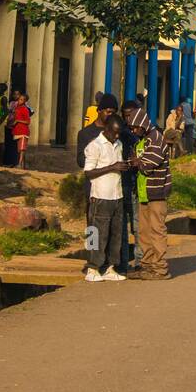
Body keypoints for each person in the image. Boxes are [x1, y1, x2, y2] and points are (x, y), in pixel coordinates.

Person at [121, 101, 173, 279]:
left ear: (142, 125)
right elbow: (136, 160)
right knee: (143, 232)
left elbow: (149, 164)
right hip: (143, 193)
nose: (134, 131)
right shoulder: (143, 140)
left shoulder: (156, 138)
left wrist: (137, 162)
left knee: (156, 231)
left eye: (135, 128)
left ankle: (160, 269)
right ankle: (147, 265)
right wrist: (134, 161)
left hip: (156, 193)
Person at [82, 114, 129, 282]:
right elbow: (88, 172)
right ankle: (92, 268)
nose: (117, 136)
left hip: (116, 195)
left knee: (115, 234)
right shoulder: (94, 145)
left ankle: (110, 267)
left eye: (119, 133)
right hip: (100, 196)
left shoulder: (119, 144)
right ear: (106, 129)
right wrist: (112, 167)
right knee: (95, 233)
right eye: (114, 132)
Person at [76, 93, 119, 168]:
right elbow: (81, 162)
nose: (110, 115)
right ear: (99, 110)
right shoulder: (85, 133)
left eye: (113, 113)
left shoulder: (116, 132)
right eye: (108, 112)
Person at [10, 93, 32, 169]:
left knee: (22, 149)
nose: (19, 101)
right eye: (19, 99)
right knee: (18, 149)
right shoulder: (17, 108)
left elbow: (28, 121)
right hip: (16, 130)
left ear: (25, 101)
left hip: (23, 131)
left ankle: (20, 164)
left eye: (22, 100)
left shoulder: (24, 109)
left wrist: (17, 121)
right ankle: (20, 164)